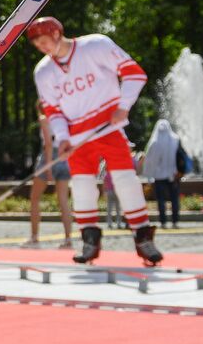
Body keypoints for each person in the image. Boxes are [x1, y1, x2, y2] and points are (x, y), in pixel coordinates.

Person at [27, 16, 163, 265]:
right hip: (77, 138)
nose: (42, 48)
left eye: (44, 41)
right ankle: (89, 242)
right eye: (37, 45)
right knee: (81, 188)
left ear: (57, 33)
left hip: (108, 129)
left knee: (126, 182)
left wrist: (123, 106)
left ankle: (144, 240)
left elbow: (134, 74)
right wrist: (63, 139)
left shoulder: (96, 45)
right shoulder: (43, 71)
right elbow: (53, 111)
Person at [24, 116, 74, 249]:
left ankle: (34, 238)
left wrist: (49, 167)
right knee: (63, 200)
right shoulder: (63, 117)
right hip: (64, 157)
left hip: (49, 157)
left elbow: (48, 143)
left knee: (34, 198)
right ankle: (68, 239)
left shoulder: (44, 118)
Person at [143, 119, 184, 228]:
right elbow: (181, 156)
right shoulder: (175, 139)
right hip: (173, 175)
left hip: (159, 176)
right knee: (174, 199)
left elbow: (149, 160)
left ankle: (163, 222)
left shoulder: (154, 142)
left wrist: (148, 175)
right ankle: (175, 222)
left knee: (161, 200)